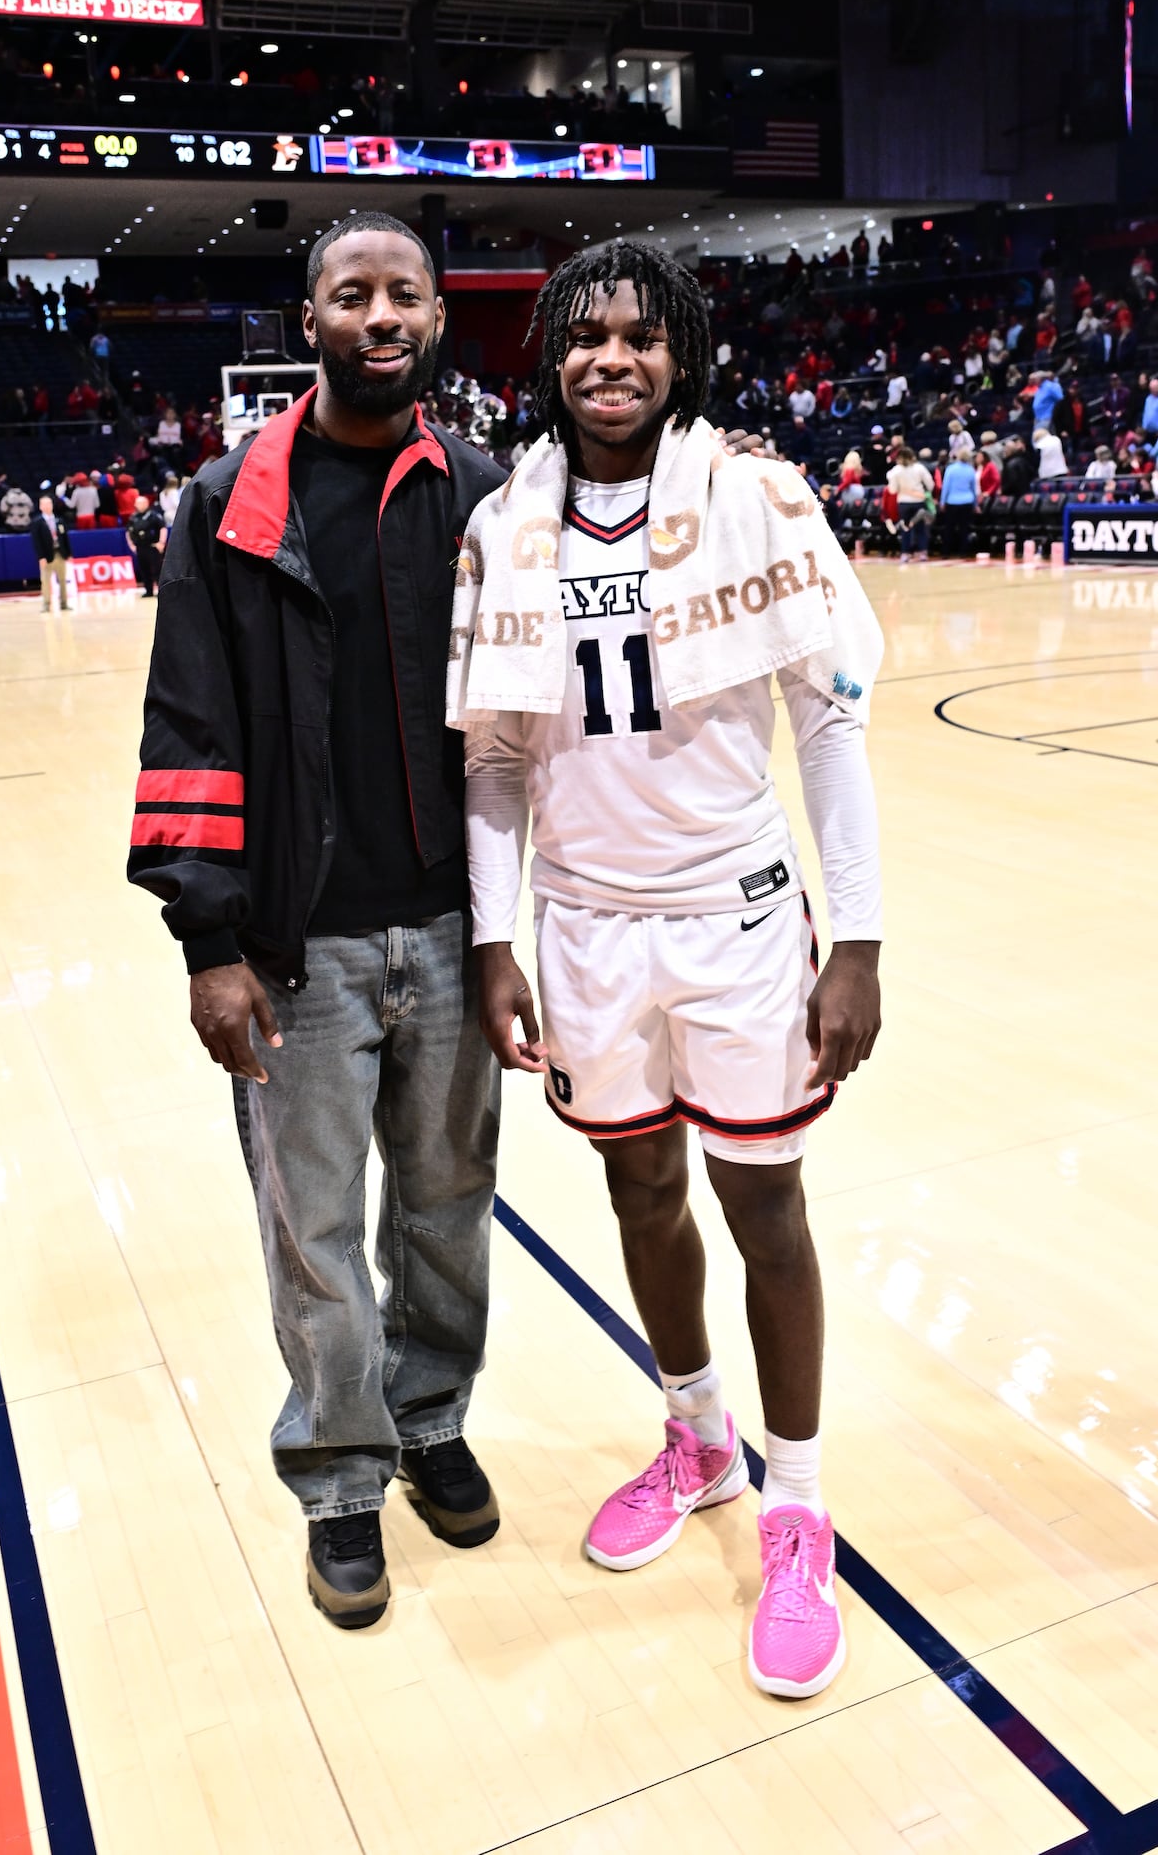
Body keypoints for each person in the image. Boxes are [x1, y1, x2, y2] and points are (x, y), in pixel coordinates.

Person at [454, 241, 883, 1700]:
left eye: (641, 335)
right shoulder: (509, 517)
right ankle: (696, 1434)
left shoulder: (756, 493)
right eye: (585, 337)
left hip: (738, 916)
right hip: (581, 923)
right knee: (637, 1187)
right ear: (550, 358)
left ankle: (800, 1502)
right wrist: (493, 932)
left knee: (765, 1200)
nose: (612, 359)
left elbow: (827, 721)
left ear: (681, 354)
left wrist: (862, 935)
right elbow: (497, 757)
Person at [126, 211, 508, 1633]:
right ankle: (343, 1477)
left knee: (451, 1211)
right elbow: (189, 722)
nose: (382, 313)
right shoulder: (230, 504)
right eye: (353, 293)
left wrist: (535, 929)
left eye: (405, 291)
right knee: (317, 1233)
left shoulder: (482, 494)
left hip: (460, 938)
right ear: (311, 323)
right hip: (300, 952)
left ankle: (431, 1416)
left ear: (435, 318)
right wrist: (208, 944)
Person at [887, 444, 934, 560]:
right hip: (919, 501)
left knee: (905, 528)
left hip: (903, 503)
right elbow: (930, 484)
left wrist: (902, 489)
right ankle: (923, 552)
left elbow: (892, 490)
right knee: (921, 528)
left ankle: (905, 554)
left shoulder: (895, 471)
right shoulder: (919, 468)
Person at [31, 494, 71, 612]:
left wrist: (69, 553)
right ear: (40, 507)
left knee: (63, 580)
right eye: (45, 504)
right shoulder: (37, 522)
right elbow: (36, 541)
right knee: (46, 581)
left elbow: (65, 538)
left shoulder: (59, 520)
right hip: (47, 555)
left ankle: (64, 603)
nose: (48, 506)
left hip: (60, 553)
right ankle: (46, 605)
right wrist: (41, 557)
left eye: (49, 503)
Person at [938, 450, 978, 557]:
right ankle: (963, 552)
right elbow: (973, 489)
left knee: (949, 528)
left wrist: (942, 502)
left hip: (952, 502)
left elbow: (945, 487)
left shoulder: (950, 469)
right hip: (967, 501)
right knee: (964, 528)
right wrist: (976, 505)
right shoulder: (971, 470)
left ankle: (946, 552)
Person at [126, 492, 166, 597]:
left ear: (147, 504)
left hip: (153, 546)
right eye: (138, 503)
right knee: (144, 570)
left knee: (157, 569)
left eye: (142, 503)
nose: (140, 505)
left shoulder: (154, 516)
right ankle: (148, 591)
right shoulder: (133, 517)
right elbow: (128, 532)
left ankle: (161, 590)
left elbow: (163, 528)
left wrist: (161, 542)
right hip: (140, 547)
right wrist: (131, 546)